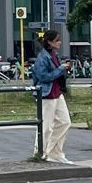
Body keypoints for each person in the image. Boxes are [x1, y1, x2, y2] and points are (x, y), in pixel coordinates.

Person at [30, 28, 73, 164]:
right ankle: (40, 153)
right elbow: (43, 76)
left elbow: (53, 73)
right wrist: (61, 69)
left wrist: (63, 69)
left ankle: (54, 152)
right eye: (57, 40)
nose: (60, 42)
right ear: (49, 42)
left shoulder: (53, 54)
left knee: (65, 122)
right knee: (46, 126)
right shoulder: (42, 57)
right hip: (47, 94)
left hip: (56, 92)